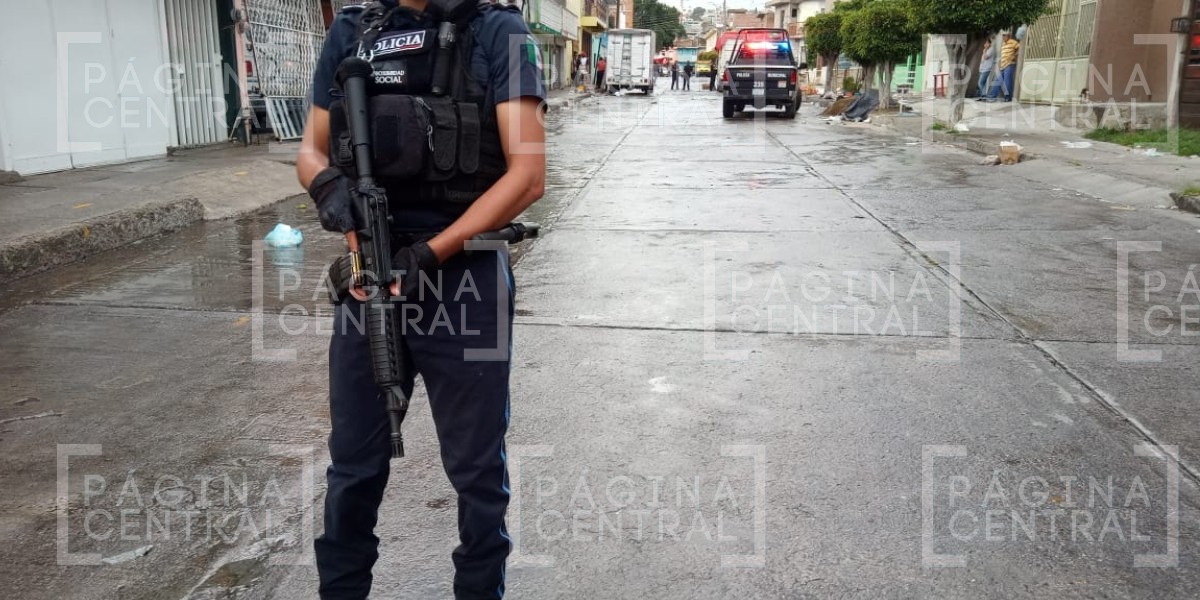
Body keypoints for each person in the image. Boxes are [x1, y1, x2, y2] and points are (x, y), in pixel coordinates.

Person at [295, 0, 547, 598]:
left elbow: (528, 176)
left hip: (466, 279)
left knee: (477, 471)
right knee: (353, 469)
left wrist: (431, 253)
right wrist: (327, 187)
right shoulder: (352, 32)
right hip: (371, 272)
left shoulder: (500, 32)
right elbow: (312, 147)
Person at [988, 32, 1019, 102]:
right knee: (998, 80)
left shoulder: (1013, 42)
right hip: (1002, 65)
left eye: (1005, 36)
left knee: (1007, 81)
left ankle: (1007, 97)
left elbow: (1019, 48)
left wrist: (1014, 56)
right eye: (1003, 36)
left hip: (1010, 64)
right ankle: (992, 96)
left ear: (1008, 36)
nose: (1003, 37)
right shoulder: (1003, 44)